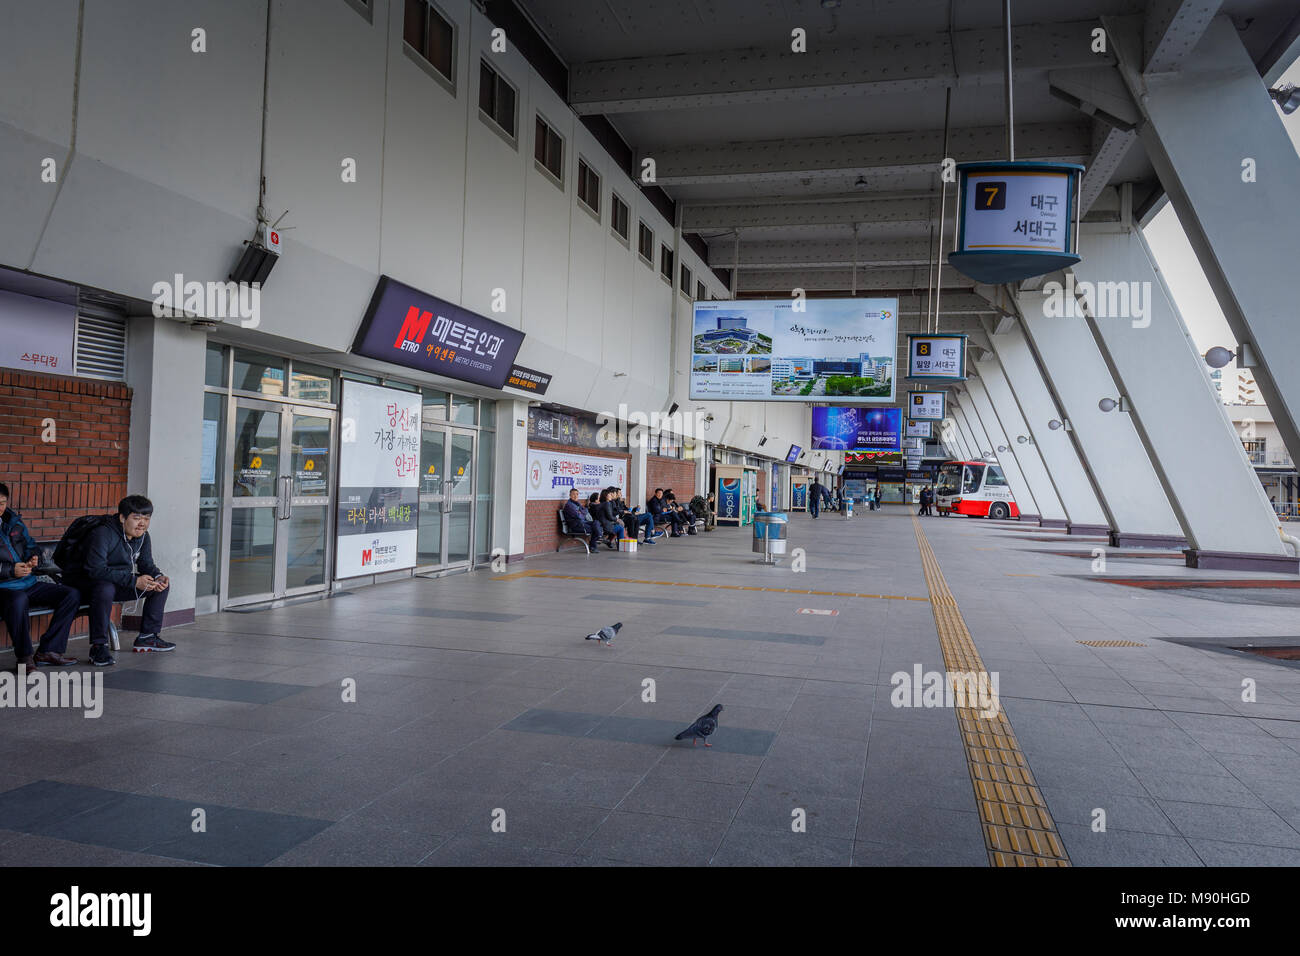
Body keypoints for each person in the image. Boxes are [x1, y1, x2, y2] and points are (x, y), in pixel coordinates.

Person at [62, 494, 173, 666]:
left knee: (160, 586)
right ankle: (99, 646)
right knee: (105, 588)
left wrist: (158, 576)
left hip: (117, 582)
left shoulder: (143, 536)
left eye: (146, 518)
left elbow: (146, 564)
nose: (142, 523)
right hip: (84, 582)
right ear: (122, 517)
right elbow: (95, 569)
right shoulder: (103, 533)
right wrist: (133, 581)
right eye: (136, 518)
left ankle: (148, 637)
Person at [0, 482, 80, 669]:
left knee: (71, 594)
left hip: (27, 582)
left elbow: (30, 545)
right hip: (4, 589)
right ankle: (25, 657)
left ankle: (48, 651)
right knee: (18, 599)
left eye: (3, 503)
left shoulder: (14, 522)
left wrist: (32, 557)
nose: (0, 508)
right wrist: (10, 571)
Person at [562, 488, 602, 552]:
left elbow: (585, 511)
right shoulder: (569, 505)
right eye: (573, 494)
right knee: (596, 529)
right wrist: (581, 513)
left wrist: (581, 512)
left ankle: (598, 536)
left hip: (583, 523)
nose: (575, 496)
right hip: (576, 525)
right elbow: (578, 516)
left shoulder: (577, 503)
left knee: (596, 522)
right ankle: (594, 544)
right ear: (570, 495)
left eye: (577, 494)